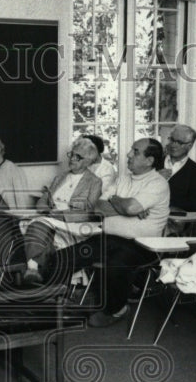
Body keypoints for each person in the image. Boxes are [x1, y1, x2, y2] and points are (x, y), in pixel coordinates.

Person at [52, 138, 170, 327]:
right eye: (131, 150)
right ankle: (51, 299)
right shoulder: (123, 178)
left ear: (149, 161)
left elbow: (131, 207)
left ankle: (116, 310)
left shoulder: (157, 184)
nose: (129, 154)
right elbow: (98, 207)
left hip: (141, 246)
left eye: (135, 151)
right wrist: (125, 204)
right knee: (66, 256)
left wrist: (122, 204)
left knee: (115, 265)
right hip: (109, 239)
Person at [22, 137, 103, 283]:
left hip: (72, 224)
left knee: (37, 226)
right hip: (50, 218)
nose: (72, 159)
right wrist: (45, 208)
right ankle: (41, 276)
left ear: (89, 161)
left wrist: (60, 215)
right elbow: (43, 199)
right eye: (71, 154)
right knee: (37, 226)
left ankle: (34, 269)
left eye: (78, 157)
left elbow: (89, 212)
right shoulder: (60, 177)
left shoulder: (94, 182)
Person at [161, 124, 196, 212]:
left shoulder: (195, 171)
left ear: (190, 146)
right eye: (172, 140)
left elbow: (195, 205)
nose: (173, 145)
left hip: (177, 220)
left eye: (179, 142)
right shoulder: (153, 162)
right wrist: (154, 177)